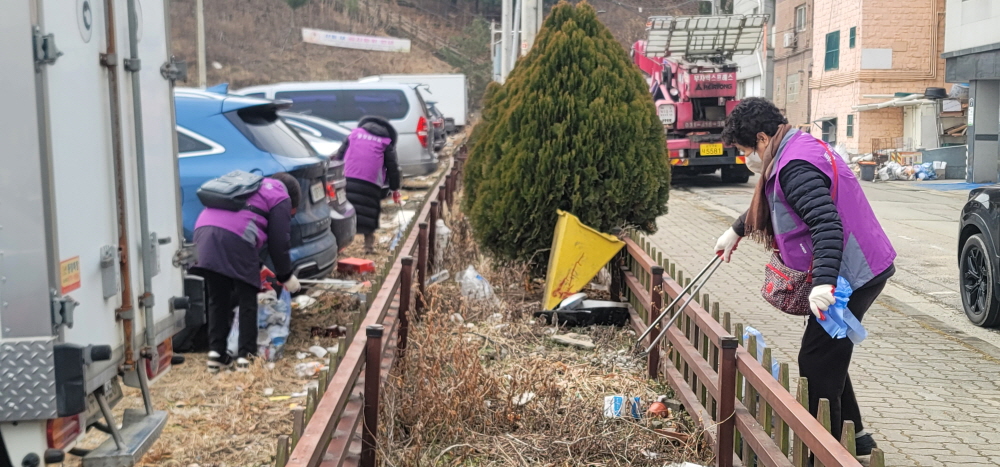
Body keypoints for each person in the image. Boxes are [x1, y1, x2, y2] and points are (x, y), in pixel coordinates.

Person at [714, 97, 896, 456]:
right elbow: (782, 204)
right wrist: (737, 230)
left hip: (853, 272)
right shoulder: (792, 149)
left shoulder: (794, 166)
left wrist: (824, 284)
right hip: (855, 264)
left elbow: (827, 224)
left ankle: (823, 452)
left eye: (745, 149)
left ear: (763, 139)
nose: (745, 159)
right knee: (829, 352)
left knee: (816, 359)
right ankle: (855, 437)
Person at [191, 173, 302, 372]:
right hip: (236, 239)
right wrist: (286, 275)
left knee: (218, 298)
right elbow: (279, 241)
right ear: (292, 200)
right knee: (247, 298)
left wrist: (258, 266)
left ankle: (216, 354)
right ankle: (246, 357)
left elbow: (234, 223)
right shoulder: (280, 196)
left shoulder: (252, 187)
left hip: (203, 234)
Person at [336, 115, 402, 254]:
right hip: (371, 183)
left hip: (348, 178)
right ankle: (368, 248)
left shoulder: (353, 135)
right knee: (369, 214)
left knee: (344, 212)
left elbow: (339, 156)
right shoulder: (385, 141)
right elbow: (392, 167)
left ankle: (340, 248)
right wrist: (395, 188)